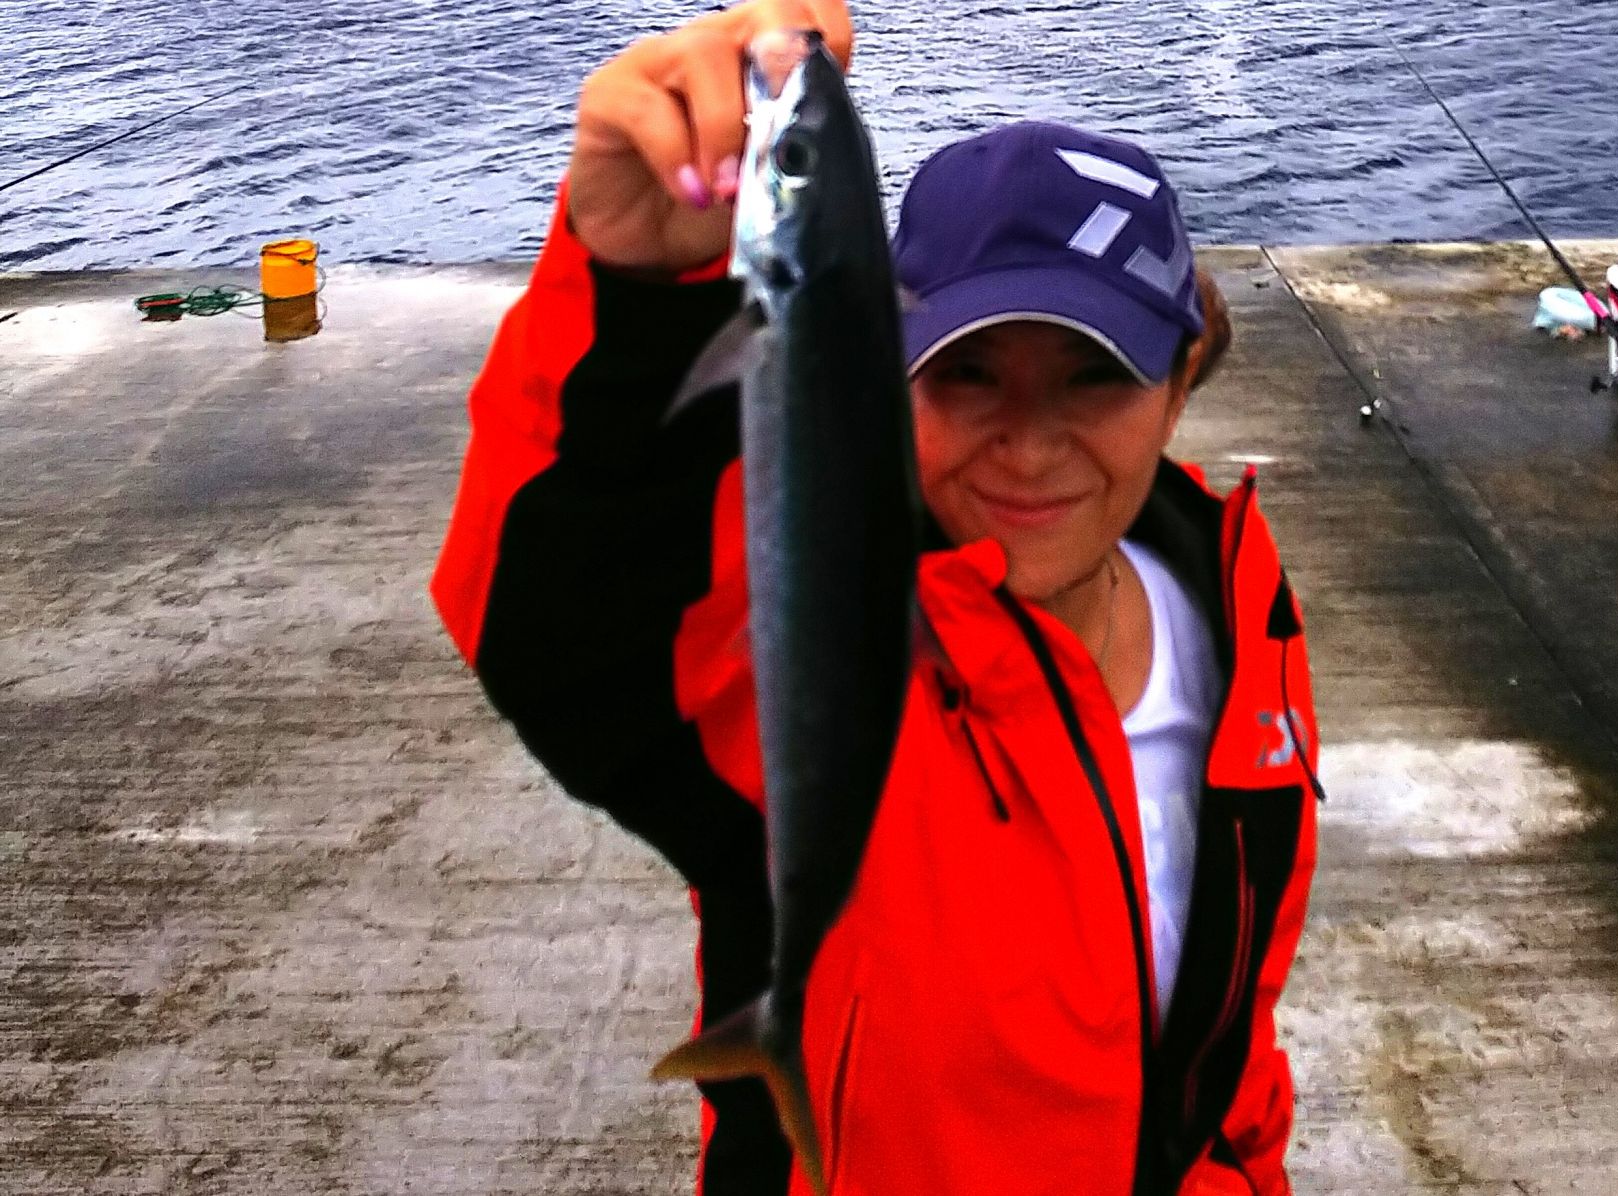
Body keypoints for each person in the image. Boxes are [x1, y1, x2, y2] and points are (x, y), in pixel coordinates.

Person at [430, 1, 1322, 1191]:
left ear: (1180, 380)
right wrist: (637, 301)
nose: (1028, 442)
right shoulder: (829, 641)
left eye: (1092, 374)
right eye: (966, 372)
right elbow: (554, 625)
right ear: (888, 369)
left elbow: (1225, 1034)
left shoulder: (1241, 630)